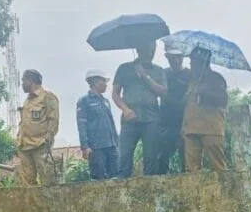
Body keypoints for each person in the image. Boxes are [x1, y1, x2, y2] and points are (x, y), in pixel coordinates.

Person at [113, 41, 168, 177]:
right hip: (129, 118)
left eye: (153, 49)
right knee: (124, 156)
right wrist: (125, 109)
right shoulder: (124, 68)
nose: (151, 52)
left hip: (151, 119)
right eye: (147, 48)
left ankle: (149, 185)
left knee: (151, 157)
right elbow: (115, 94)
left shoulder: (159, 70)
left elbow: (163, 92)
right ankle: (122, 183)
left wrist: (145, 76)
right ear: (138, 49)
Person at [183, 47, 229, 172]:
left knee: (218, 167)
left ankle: (223, 186)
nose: (191, 63)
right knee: (192, 170)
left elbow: (223, 100)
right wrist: (184, 125)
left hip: (211, 128)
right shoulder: (192, 80)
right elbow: (188, 104)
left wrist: (205, 92)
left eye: (193, 60)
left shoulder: (216, 78)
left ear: (202, 61)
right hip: (191, 128)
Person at [16, 69, 60, 186]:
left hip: (40, 145)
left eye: (23, 81)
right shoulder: (27, 101)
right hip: (24, 146)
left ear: (31, 81)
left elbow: (54, 120)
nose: (22, 84)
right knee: (28, 184)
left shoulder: (47, 97)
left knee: (48, 181)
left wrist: (48, 139)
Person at [77, 69, 120, 180]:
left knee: (116, 178)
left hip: (111, 146)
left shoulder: (106, 101)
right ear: (95, 82)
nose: (106, 84)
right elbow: (81, 124)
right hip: (96, 147)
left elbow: (111, 123)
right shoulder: (84, 101)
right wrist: (85, 147)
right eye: (104, 81)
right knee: (98, 179)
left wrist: (117, 143)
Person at [156, 42, 192, 174]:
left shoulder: (189, 74)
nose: (176, 60)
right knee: (162, 156)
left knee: (186, 156)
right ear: (167, 57)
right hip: (165, 121)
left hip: (185, 121)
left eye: (179, 57)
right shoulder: (162, 73)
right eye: (172, 57)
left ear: (183, 57)